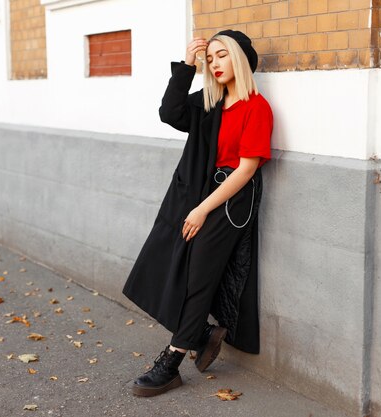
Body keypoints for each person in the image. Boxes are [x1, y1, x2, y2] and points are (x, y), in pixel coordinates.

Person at [122, 29, 273, 397]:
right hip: (200, 193)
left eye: (222, 55)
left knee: (198, 279)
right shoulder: (212, 104)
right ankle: (203, 333)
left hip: (230, 201)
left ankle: (172, 362)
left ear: (239, 57)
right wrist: (188, 66)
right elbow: (169, 112)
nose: (215, 63)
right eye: (211, 58)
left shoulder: (257, 107)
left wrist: (203, 210)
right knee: (162, 265)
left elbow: (247, 169)